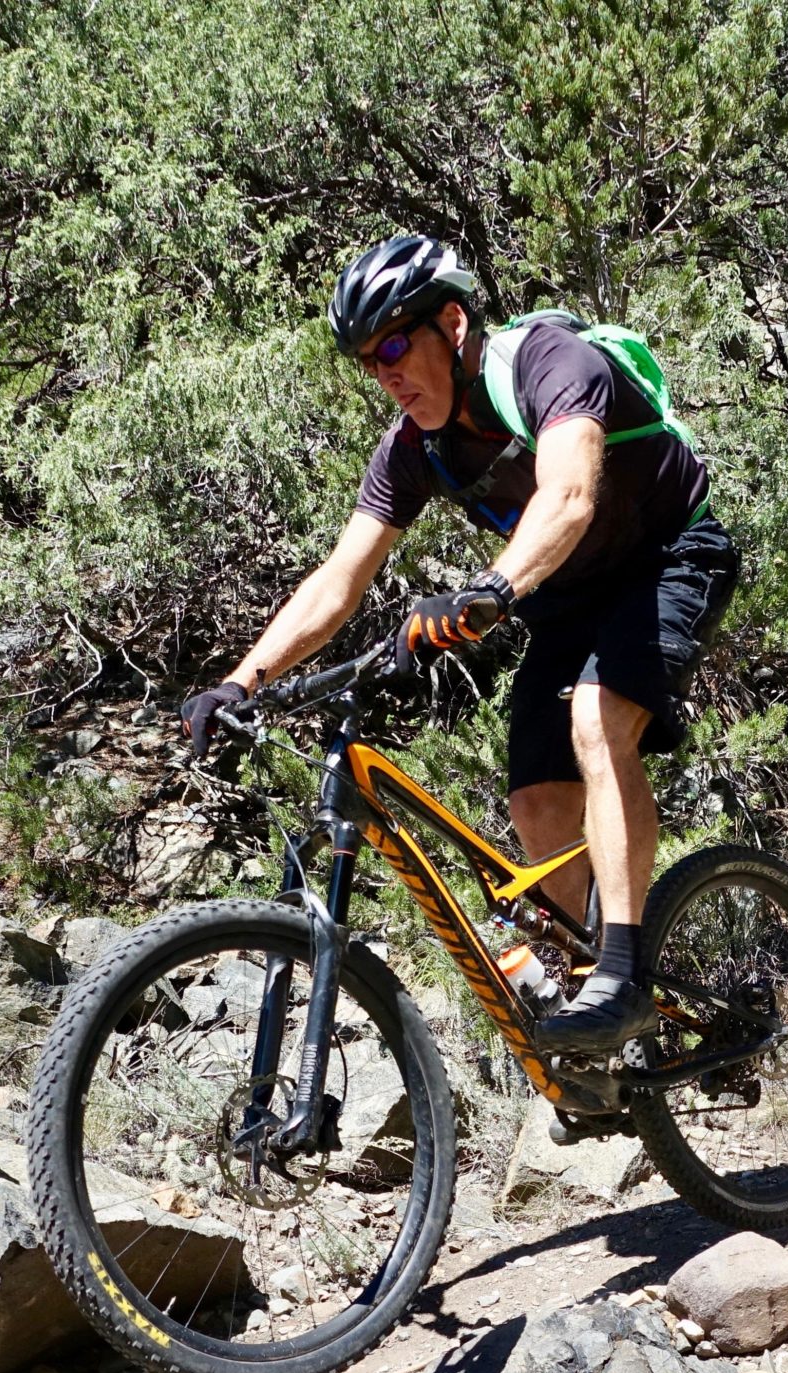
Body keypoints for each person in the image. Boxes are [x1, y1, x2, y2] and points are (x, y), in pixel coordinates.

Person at [181, 235, 739, 1053]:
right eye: (370, 362)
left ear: (453, 321)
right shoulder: (412, 451)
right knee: (537, 802)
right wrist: (243, 681)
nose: (387, 373)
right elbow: (340, 578)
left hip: (672, 555)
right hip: (567, 595)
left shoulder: (548, 362)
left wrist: (489, 591)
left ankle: (620, 976)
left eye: (397, 345)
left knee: (596, 719)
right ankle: (591, 1018)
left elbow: (571, 494)